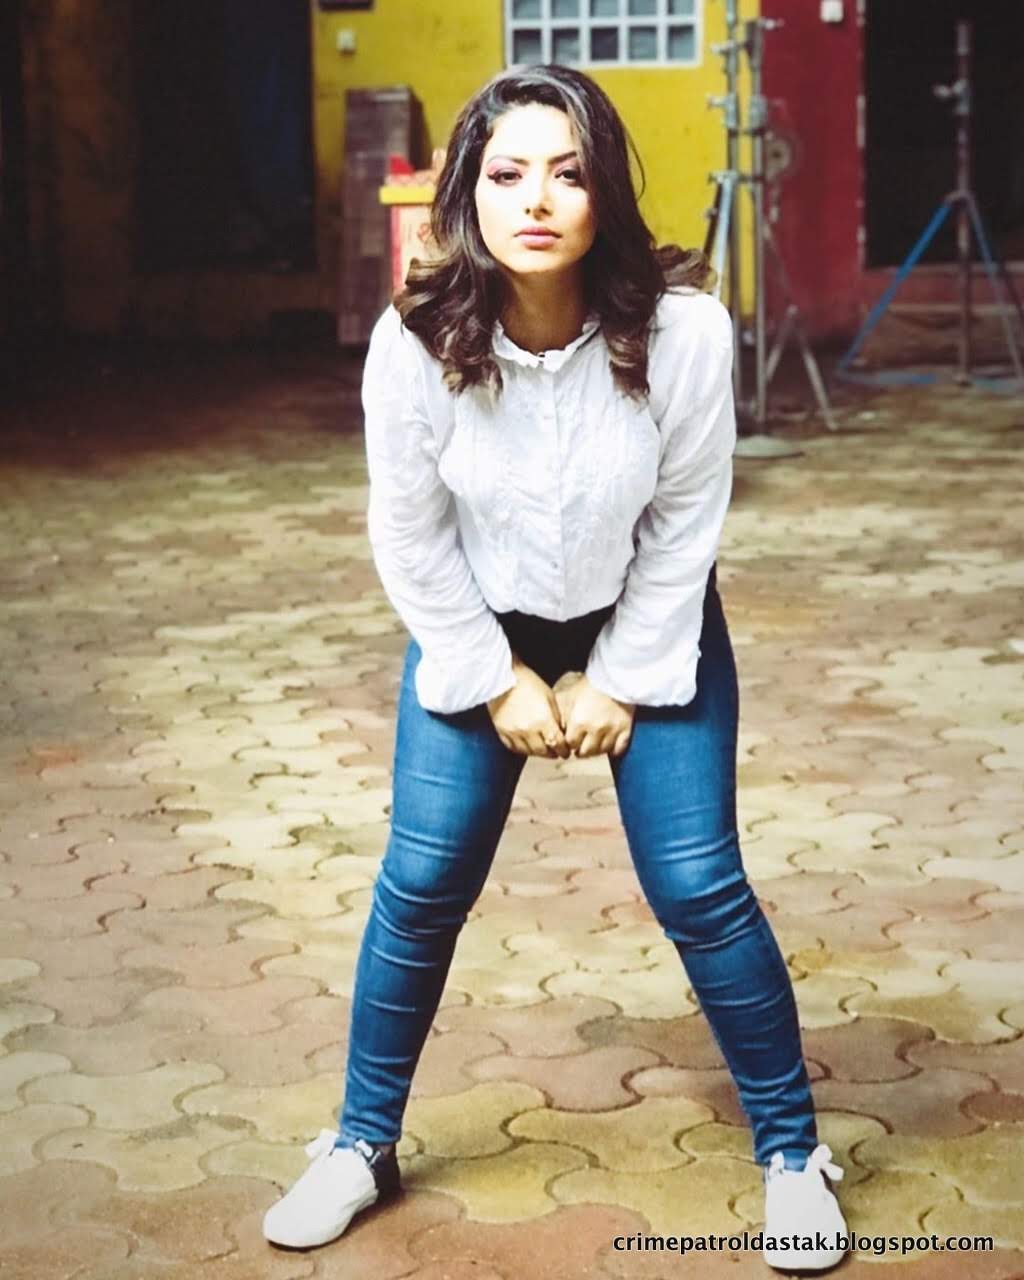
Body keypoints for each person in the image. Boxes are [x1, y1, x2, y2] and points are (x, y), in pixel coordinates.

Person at [263, 64, 849, 1272]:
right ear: (468, 194)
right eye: (507, 172)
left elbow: (687, 522)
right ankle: (359, 1142)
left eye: (567, 173)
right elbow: (409, 535)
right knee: (421, 879)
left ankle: (795, 1155)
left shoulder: (684, 333)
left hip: (649, 616)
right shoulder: (414, 343)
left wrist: (618, 677)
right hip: (480, 620)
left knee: (698, 885)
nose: (535, 198)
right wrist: (496, 678)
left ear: (604, 193)